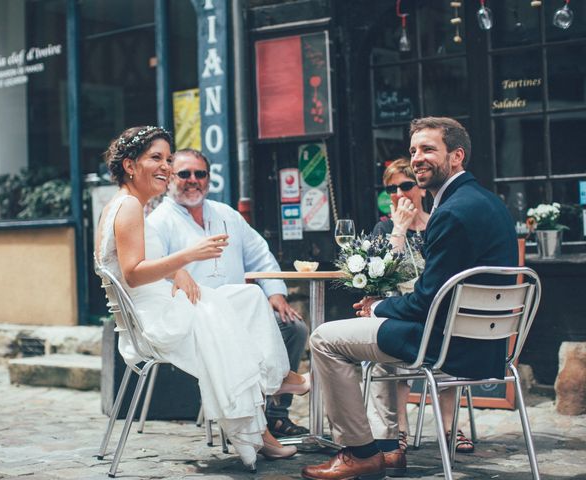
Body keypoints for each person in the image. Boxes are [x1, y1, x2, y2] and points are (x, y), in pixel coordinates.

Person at [302, 117, 517, 480]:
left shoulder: (451, 212)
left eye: (429, 149)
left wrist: (376, 307)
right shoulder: (489, 203)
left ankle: (360, 452)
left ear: (457, 156)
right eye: (414, 150)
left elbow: (425, 303)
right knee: (373, 335)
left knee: (324, 338)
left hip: (449, 345)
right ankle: (387, 449)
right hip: (489, 345)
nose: (417, 157)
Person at [94, 126, 311, 471]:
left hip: (154, 309)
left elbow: (132, 265)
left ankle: (273, 384)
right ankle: (265, 413)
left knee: (246, 296)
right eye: (157, 158)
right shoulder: (132, 207)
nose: (165, 166)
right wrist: (187, 257)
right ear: (130, 165)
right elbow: (133, 273)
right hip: (155, 323)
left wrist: (174, 271)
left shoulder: (123, 205)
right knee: (227, 318)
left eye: (167, 158)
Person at [147, 148, 310, 438]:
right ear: (170, 178)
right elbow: (152, 273)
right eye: (184, 174)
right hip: (198, 318)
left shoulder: (225, 214)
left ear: (209, 178)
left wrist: (275, 293)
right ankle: (256, 421)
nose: (192, 180)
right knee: (244, 335)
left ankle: (275, 414)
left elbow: (259, 253)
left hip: (242, 311)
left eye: (200, 174)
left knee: (294, 328)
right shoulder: (159, 221)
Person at [366, 158, 474, 455]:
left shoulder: (439, 222)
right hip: (401, 309)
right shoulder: (384, 227)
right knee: (391, 344)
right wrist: (399, 229)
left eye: (406, 185)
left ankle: (451, 427)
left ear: (421, 189)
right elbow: (380, 274)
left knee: (450, 334)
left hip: (435, 308)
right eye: (391, 188)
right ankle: (400, 429)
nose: (399, 193)